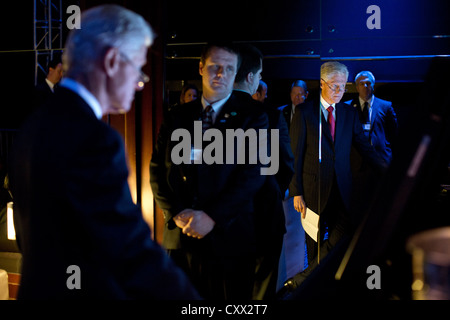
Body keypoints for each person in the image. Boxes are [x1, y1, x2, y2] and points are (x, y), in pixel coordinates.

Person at [9, 5, 200, 300]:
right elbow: (128, 249)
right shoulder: (94, 138)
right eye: (138, 67)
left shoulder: (35, 122)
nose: (140, 82)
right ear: (112, 61)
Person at [150, 42, 269, 300]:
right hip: (181, 237)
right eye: (215, 67)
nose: (221, 74)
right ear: (202, 68)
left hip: (230, 236)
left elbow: (254, 174)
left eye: (228, 69)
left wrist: (211, 217)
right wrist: (176, 212)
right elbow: (157, 170)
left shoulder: (254, 116)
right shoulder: (176, 117)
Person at [282, 61, 386, 293]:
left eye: (342, 86)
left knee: (342, 236)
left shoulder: (349, 113)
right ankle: (313, 288)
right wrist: (297, 190)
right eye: (334, 86)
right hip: (312, 189)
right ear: (321, 84)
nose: (339, 91)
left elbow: (365, 148)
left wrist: (389, 171)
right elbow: (294, 156)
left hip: (343, 188)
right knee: (314, 244)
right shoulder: (305, 112)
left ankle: (305, 279)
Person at [233, 44, 294, 300]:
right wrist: (273, 190)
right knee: (263, 290)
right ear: (250, 77)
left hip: (224, 222)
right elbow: (285, 162)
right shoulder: (269, 115)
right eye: (258, 76)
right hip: (264, 214)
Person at [345, 71, 398, 223]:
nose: (365, 86)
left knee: (382, 207)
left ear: (373, 85)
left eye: (368, 83)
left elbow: (394, 135)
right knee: (359, 209)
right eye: (362, 83)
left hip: (381, 165)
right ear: (356, 87)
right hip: (357, 166)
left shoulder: (385, 106)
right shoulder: (348, 108)